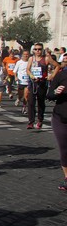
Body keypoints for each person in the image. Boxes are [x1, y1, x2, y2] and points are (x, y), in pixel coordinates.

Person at [27, 43, 60, 129]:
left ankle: (40, 119)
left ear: (42, 50)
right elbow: (27, 69)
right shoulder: (31, 58)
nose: (38, 51)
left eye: (39, 49)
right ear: (33, 50)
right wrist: (31, 75)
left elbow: (57, 66)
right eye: (36, 49)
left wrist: (51, 76)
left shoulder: (46, 58)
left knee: (40, 102)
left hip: (42, 82)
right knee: (30, 102)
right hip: (33, 83)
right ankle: (31, 121)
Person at [47, 61, 67, 191]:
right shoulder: (61, 75)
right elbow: (49, 95)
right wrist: (56, 92)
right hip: (61, 118)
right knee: (64, 150)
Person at [13, 50, 30, 114]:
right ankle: (18, 99)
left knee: (26, 95)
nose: (26, 56)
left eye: (27, 54)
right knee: (20, 95)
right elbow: (15, 71)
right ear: (22, 55)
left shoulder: (30, 62)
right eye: (24, 54)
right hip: (20, 81)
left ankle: (24, 107)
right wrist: (15, 77)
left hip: (28, 81)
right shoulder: (19, 62)